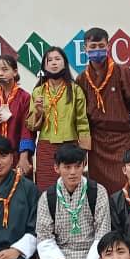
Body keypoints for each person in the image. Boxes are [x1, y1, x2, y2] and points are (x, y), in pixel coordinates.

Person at [75, 27, 130, 195]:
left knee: (122, 183)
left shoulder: (123, 72)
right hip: (96, 139)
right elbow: (80, 112)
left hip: (120, 138)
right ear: (85, 48)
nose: (97, 50)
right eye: (93, 46)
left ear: (108, 46)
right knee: (99, 187)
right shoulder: (81, 78)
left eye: (101, 46)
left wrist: (128, 130)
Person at [27, 47, 91, 191]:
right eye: (49, 60)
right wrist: (37, 112)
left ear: (65, 63)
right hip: (46, 146)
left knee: (71, 186)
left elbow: (82, 121)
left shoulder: (75, 90)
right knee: (46, 187)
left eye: (57, 59)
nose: (54, 63)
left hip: (71, 144)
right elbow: (31, 126)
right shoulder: (38, 91)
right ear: (44, 66)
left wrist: (84, 151)